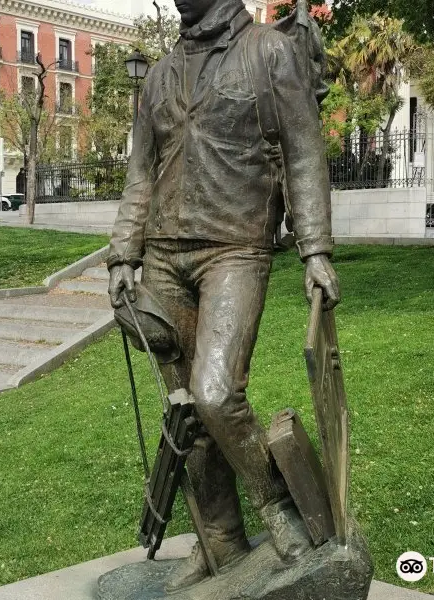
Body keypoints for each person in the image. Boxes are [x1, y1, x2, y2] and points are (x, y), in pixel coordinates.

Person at [107, 0, 340, 591]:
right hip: (162, 254)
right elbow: (140, 171)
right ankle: (221, 546)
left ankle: (279, 511)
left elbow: (304, 150)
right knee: (186, 411)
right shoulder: (160, 73)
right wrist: (123, 255)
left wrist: (314, 249)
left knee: (216, 393)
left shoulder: (268, 51)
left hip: (235, 246)